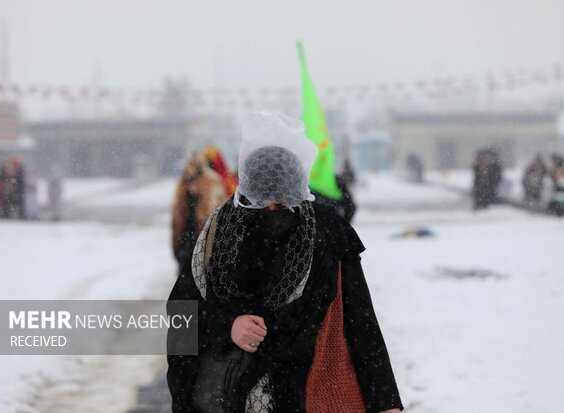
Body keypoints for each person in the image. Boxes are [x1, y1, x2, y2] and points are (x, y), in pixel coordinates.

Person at [167, 112, 403, 412]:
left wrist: (385, 400)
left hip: (311, 393)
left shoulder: (326, 233)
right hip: (230, 396)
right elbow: (181, 315)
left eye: (280, 204)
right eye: (259, 202)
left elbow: (360, 319)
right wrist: (228, 326)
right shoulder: (220, 233)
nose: (269, 212)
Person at [171, 152, 228, 268]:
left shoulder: (213, 185)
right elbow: (177, 222)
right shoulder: (183, 191)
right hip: (187, 244)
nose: (192, 185)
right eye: (189, 181)